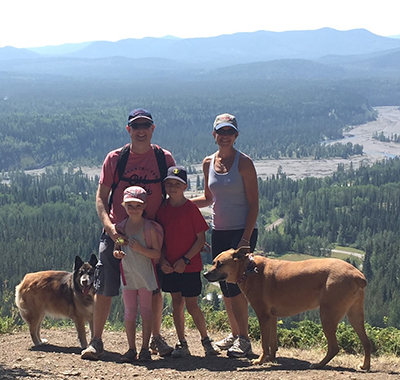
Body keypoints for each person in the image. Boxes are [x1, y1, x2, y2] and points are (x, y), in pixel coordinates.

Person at [81, 108, 175, 360]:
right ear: (129, 130)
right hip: (116, 234)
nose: (141, 130)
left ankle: (155, 338)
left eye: (146, 126)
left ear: (153, 129)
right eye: (136, 126)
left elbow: (173, 195)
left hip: (151, 236)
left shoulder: (164, 159)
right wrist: (110, 229)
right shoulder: (115, 159)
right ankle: (97, 341)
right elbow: (101, 199)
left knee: (153, 289)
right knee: (104, 285)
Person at [192, 113, 259, 358]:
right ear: (214, 135)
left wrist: (245, 239)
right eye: (221, 132)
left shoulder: (244, 163)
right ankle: (235, 333)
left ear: (236, 136)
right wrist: (182, 204)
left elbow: (254, 205)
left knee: (238, 287)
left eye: (230, 132)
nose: (225, 137)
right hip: (219, 231)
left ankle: (244, 339)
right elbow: (209, 198)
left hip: (242, 233)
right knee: (226, 287)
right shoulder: (208, 162)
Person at [156, 166, 219, 358]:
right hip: (170, 266)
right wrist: (162, 260)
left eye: (177, 184)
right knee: (176, 303)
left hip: (190, 266)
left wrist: (185, 260)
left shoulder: (191, 208)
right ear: (164, 185)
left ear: (185, 186)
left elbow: (201, 239)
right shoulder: (162, 210)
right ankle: (182, 343)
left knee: (192, 305)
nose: (173, 187)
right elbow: (158, 239)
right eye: (169, 184)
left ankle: (205, 341)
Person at [113, 186, 161, 362]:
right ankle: (132, 348)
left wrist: (141, 249)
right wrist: (117, 253)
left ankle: (145, 348)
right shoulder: (121, 227)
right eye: (130, 205)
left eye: (138, 206)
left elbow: (157, 253)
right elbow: (116, 247)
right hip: (128, 275)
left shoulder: (148, 228)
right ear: (124, 206)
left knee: (146, 312)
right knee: (130, 312)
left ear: (145, 206)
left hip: (145, 276)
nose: (134, 209)